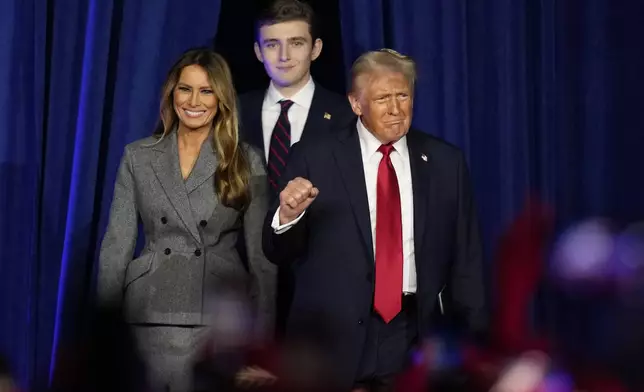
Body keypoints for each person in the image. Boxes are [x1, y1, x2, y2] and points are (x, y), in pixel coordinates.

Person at [262, 49, 488, 391]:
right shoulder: (314, 156)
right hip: (333, 340)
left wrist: (474, 347)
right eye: (383, 98)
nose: (396, 109)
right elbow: (276, 250)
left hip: (413, 335)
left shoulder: (445, 162)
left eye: (403, 96)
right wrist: (288, 216)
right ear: (356, 104)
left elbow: (467, 261)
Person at [98, 48, 276, 392]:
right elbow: (116, 248)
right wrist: (104, 338)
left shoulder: (246, 161)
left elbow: (262, 261)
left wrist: (262, 347)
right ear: (172, 93)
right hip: (147, 314)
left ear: (221, 98)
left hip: (216, 320)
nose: (194, 101)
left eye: (206, 90)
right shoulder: (138, 156)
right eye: (185, 89)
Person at [238, 0, 355, 338]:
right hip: (245, 295)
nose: (284, 55)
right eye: (272, 44)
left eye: (297, 43)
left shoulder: (347, 116)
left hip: (321, 291)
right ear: (258, 52)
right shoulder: (232, 112)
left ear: (316, 49)